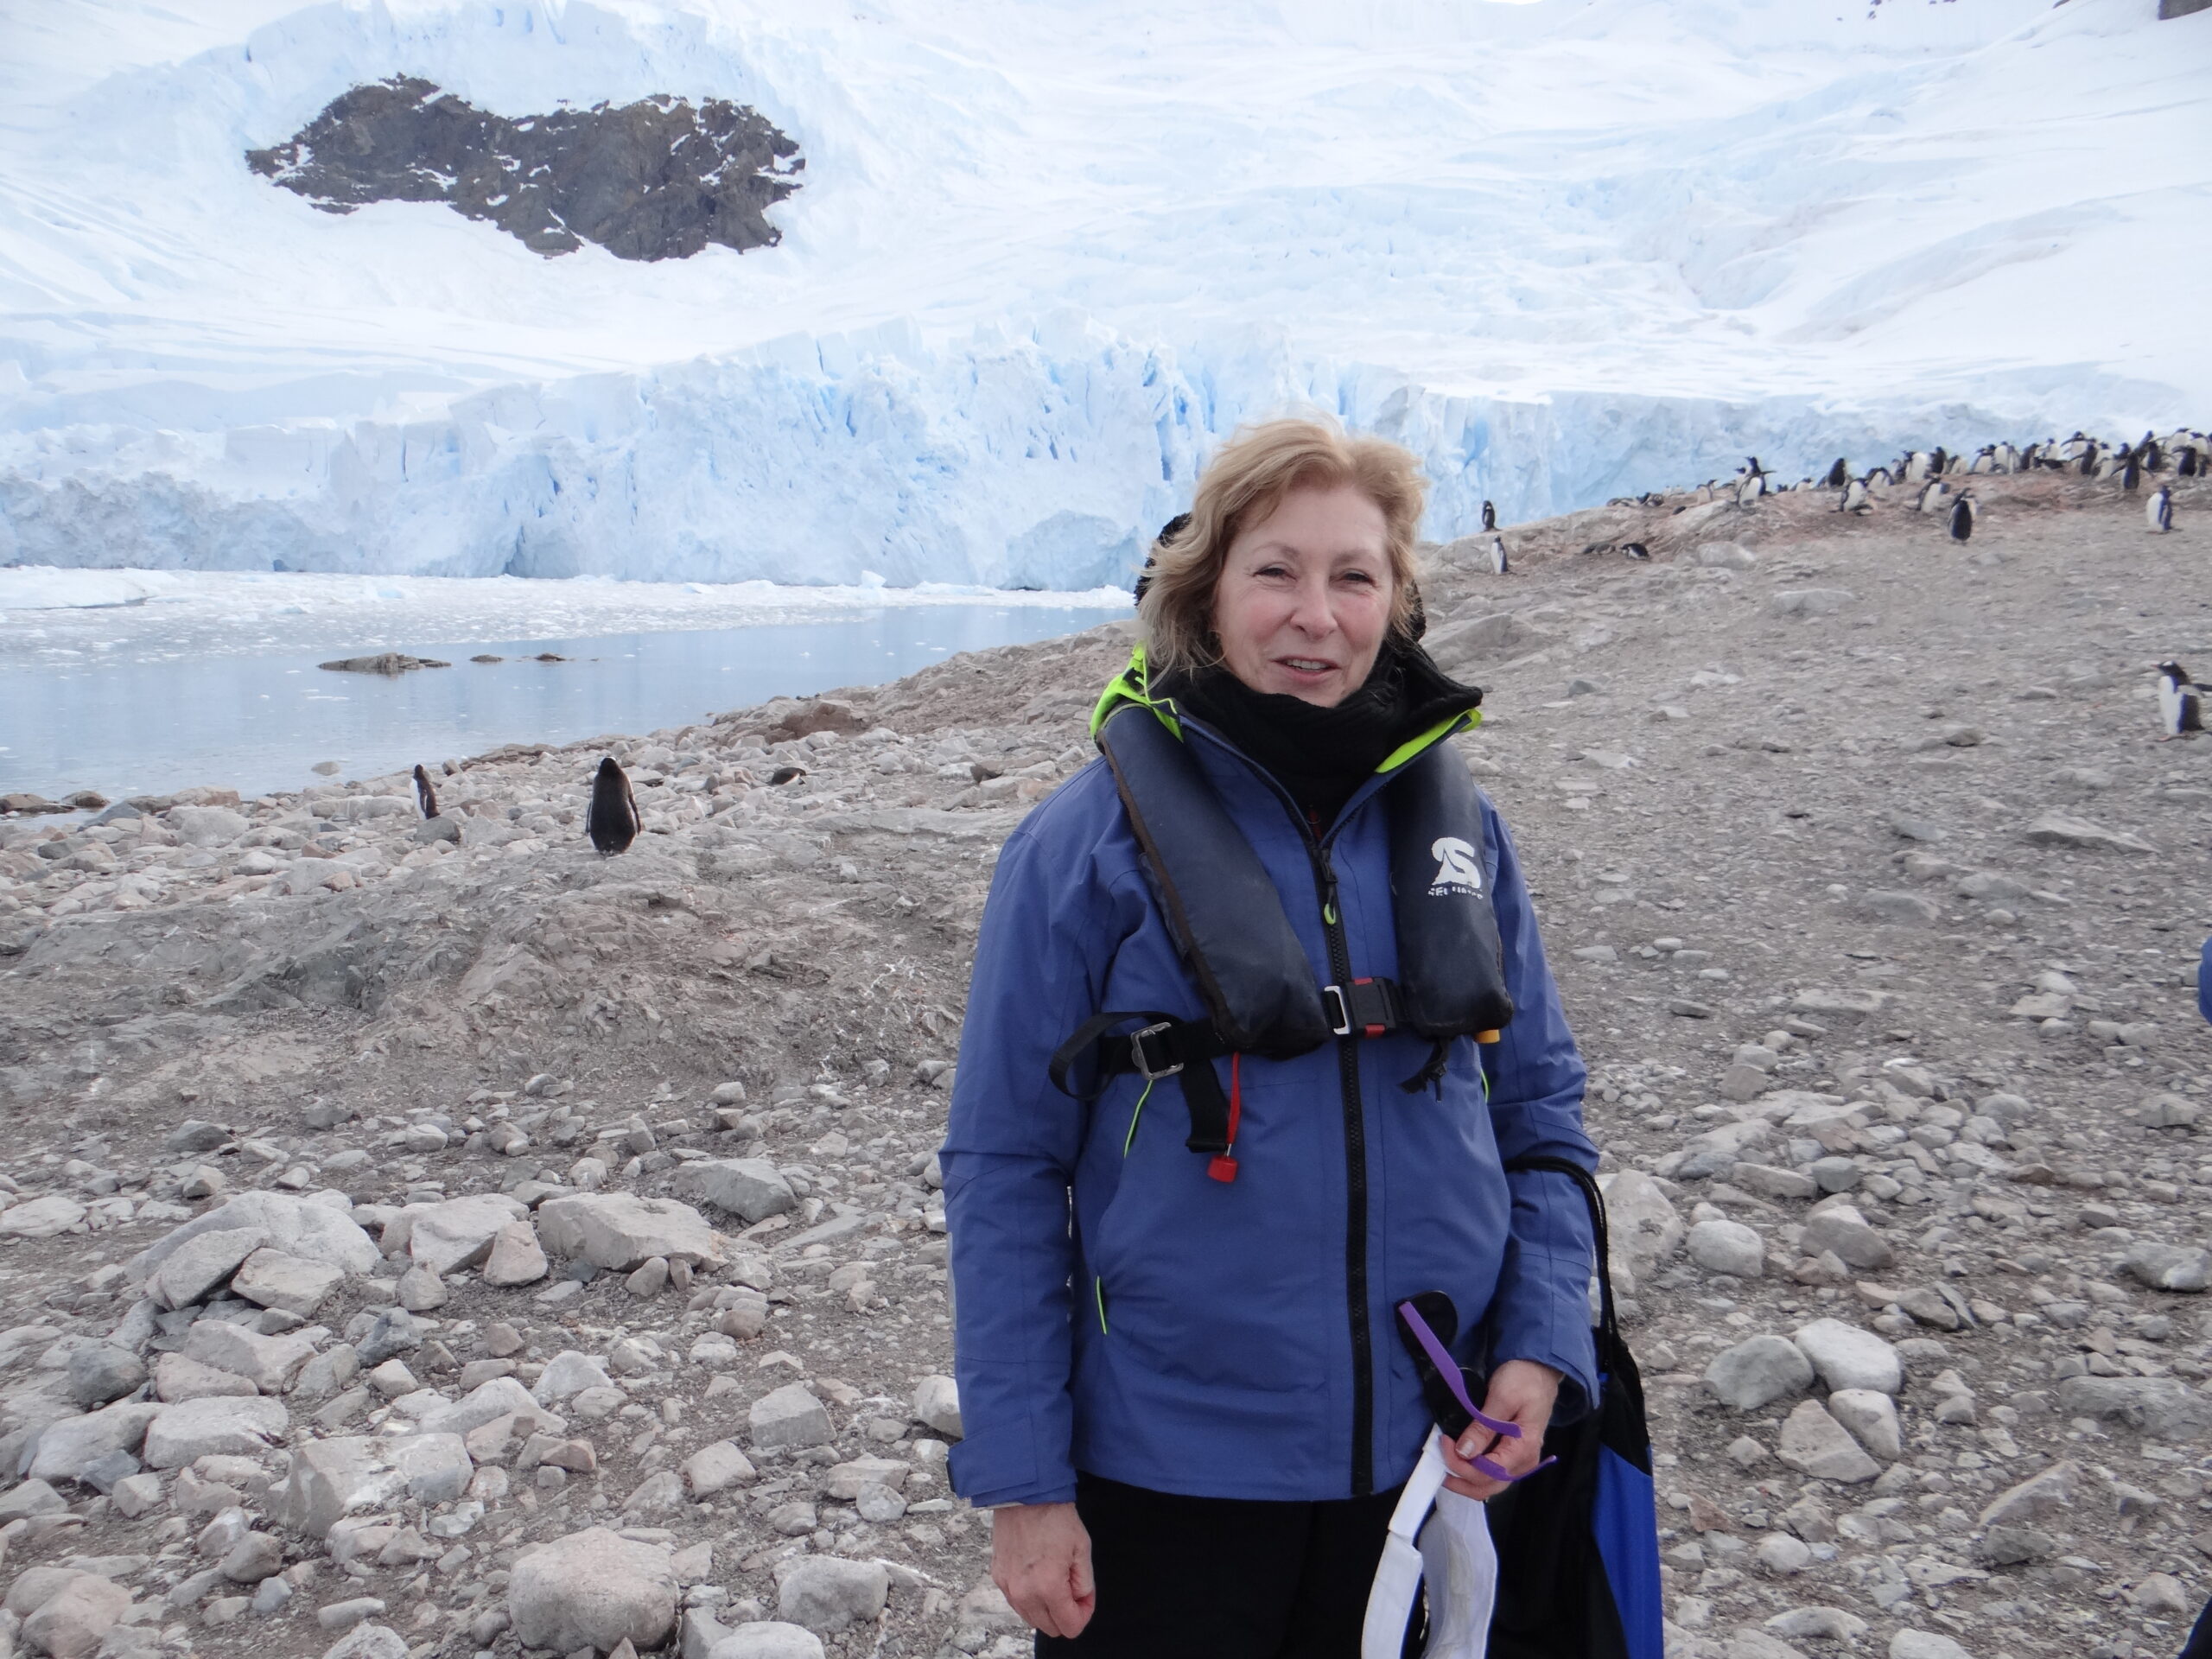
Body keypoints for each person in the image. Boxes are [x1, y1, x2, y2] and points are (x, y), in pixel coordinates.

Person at [941, 417, 1599, 1656]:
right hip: (1170, 1475)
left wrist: (1542, 1344)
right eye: (1276, 572)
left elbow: (1540, 1110)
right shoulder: (1084, 845)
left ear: (1396, 598)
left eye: (1354, 575)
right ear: (1207, 591)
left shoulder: (1462, 836)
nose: (1317, 615)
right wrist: (1026, 1482)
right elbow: (1004, 1164)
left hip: (1427, 1457)